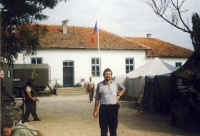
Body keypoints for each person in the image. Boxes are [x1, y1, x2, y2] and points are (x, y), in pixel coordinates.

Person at [93, 68, 125, 136]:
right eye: (106, 74)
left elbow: (123, 88)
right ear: (104, 75)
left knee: (113, 130)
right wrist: (95, 110)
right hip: (103, 109)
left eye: (109, 74)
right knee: (103, 130)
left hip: (113, 109)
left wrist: (118, 96)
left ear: (111, 75)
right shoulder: (100, 85)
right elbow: (97, 98)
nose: (108, 75)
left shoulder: (116, 83)